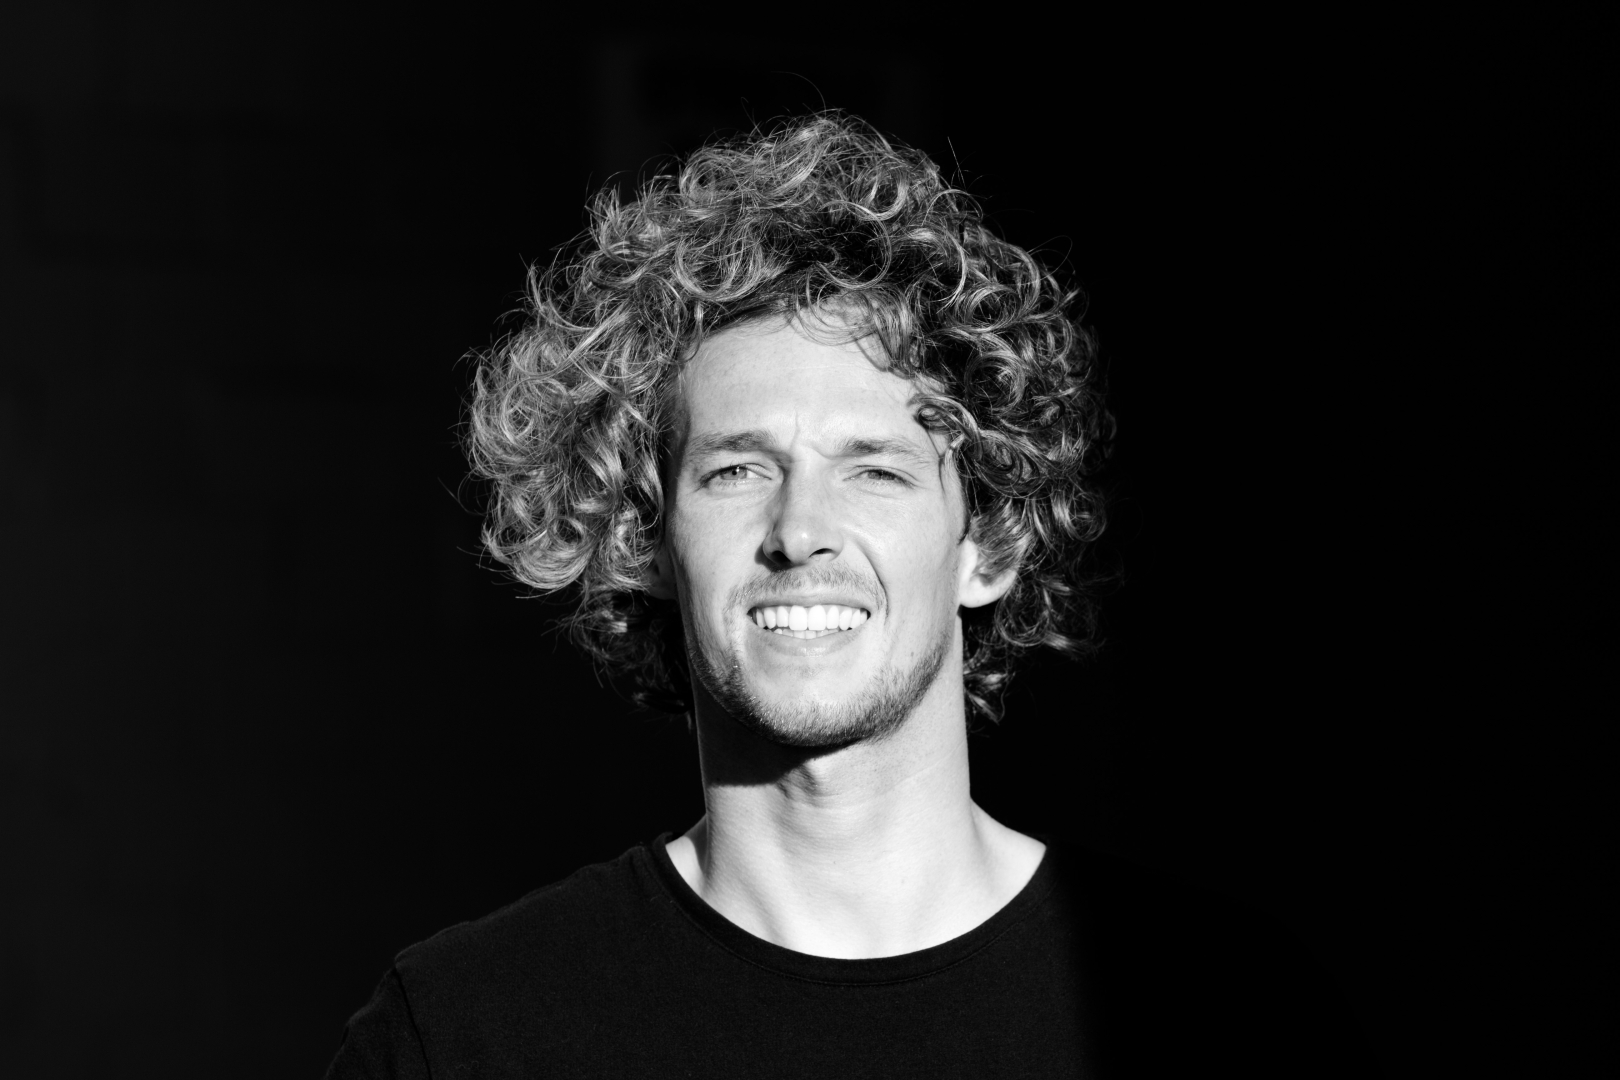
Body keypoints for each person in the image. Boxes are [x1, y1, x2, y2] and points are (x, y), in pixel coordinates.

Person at [324, 112, 1376, 1078]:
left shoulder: (1225, 1009)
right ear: (648, 542)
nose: (800, 531)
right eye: (738, 470)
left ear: (988, 546)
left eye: (874, 469)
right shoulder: (466, 1033)